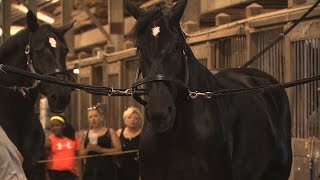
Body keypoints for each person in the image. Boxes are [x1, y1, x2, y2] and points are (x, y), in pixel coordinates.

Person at [80, 104, 122, 180]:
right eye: (90, 117)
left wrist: (101, 150)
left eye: (96, 116)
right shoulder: (85, 134)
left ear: (102, 118)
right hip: (90, 170)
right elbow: (81, 154)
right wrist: (87, 149)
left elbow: (118, 150)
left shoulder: (110, 131)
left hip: (106, 168)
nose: (93, 119)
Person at [45, 115, 81, 180]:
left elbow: (79, 158)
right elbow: (45, 158)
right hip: (54, 173)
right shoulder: (50, 140)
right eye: (52, 126)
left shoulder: (73, 139)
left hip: (71, 173)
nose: (54, 128)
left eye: (57, 125)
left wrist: (79, 175)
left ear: (63, 126)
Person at [116, 106, 142, 180]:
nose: (132, 120)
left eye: (136, 118)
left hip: (138, 169)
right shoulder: (118, 133)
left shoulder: (143, 134)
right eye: (129, 117)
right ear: (124, 120)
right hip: (121, 169)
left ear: (140, 120)